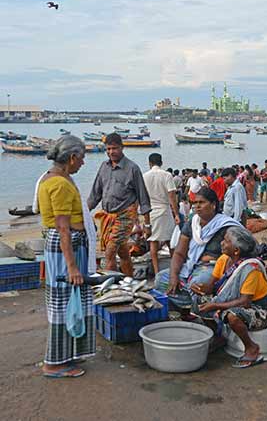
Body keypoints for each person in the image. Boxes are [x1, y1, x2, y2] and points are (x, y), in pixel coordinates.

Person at [36, 136, 96, 378]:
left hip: (69, 246)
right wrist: (71, 267)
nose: (83, 163)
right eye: (81, 158)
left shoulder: (52, 177)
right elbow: (63, 228)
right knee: (63, 305)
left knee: (73, 302)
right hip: (66, 248)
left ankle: (67, 355)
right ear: (72, 158)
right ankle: (54, 364)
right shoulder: (60, 184)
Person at [194, 227, 267, 368]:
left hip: (259, 309)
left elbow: (245, 302)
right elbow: (212, 286)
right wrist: (200, 288)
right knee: (199, 301)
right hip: (238, 302)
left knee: (232, 316)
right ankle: (218, 336)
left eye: (226, 241)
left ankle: (251, 347)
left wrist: (215, 306)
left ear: (236, 251)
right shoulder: (224, 259)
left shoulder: (251, 269)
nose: (221, 243)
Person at [155, 188, 241, 310]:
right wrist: (174, 277)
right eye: (195, 203)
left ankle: (205, 314)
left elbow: (240, 251)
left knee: (198, 284)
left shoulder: (225, 225)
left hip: (214, 268)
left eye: (201, 202)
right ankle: (184, 310)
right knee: (161, 279)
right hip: (191, 265)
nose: (197, 206)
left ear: (213, 205)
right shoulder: (192, 224)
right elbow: (179, 253)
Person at [88, 133, 151, 276]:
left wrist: (147, 225)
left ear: (122, 148)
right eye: (108, 149)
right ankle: (129, 280)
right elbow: (95, 194)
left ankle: (113, 288)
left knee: (110, 252)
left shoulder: (132, 168)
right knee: (123, 251)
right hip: (108, 217)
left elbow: (143, 197)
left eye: (114, 148)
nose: (111, 152)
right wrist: (83, 213)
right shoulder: (104, 167)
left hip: (125, 216)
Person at [143, 153, 180, 273]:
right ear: (161, 162)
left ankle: (156, 270)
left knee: (153, 241)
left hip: (152, 211)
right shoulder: (167, 175)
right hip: (165, 210)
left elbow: (142, 198)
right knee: (171, 242)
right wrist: (177, 214)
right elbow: (172, 196)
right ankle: (175, 269)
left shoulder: (145, 176)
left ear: (149, 163)